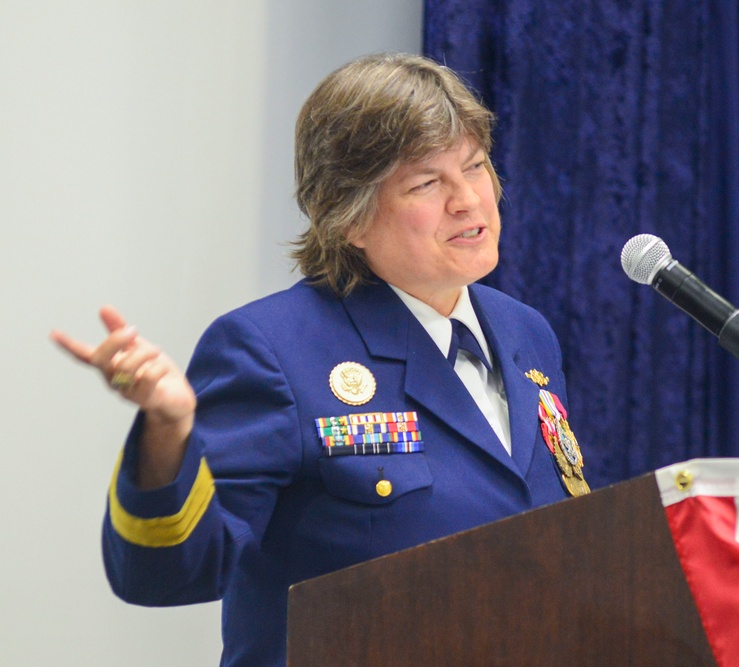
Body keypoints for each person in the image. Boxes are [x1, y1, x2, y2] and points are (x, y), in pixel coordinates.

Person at [50, 53, 589, 666]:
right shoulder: (271, 349)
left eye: (475, 166)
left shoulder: (526, 333)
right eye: (426, 184)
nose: (468, 200)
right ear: (350, 216)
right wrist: (168, 433)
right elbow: (167, 575)